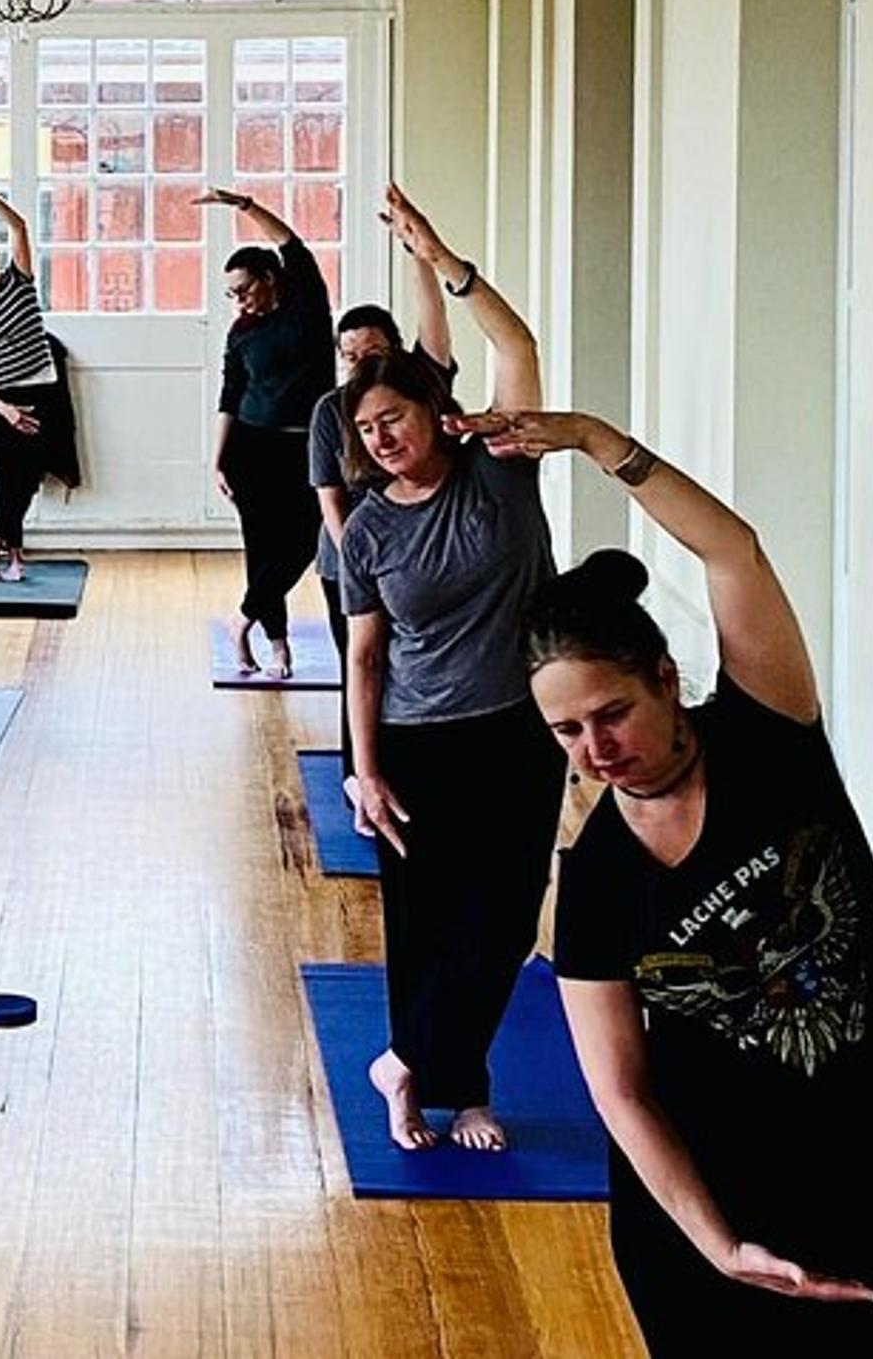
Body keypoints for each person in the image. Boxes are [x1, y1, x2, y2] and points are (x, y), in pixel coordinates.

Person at [466, 408, 873, 1353]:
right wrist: (721, 1243)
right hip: (704, 1216)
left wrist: (592, 438)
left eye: (611, 712)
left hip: (863, 1162)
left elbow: (734, 551)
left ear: (667, 675)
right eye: (567, 732)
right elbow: (621, 1091)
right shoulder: (597, 878)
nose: (596, 749)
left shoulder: (771, 733)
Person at [339, 184, 563, 1154]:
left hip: (516, 724)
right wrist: (363, 768)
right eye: (366, 428)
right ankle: (431, 1088)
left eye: (393, 416)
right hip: (417, 740)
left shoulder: (500, 471)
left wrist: (438, 256)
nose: (381, 435)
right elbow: (363, 657)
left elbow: (517, 353)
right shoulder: (367, 530)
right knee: (423, 923)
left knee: (505, 922)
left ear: (432, 413)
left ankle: (413, 1060)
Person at [309, 253, 453, 809]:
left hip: (415, 557)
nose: (360, 364)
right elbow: (331, 499)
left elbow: (435, 330)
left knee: (405, 666)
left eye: (372, 352)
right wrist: (358, 570)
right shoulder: (331, 411)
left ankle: (409, 767)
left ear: (395, 348)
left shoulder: (418, 390)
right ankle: (359, 781)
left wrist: (425, 258)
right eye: (350, 357)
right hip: (349, 559)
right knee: (362, 665)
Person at [198, 186, 335, 680]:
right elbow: (230, 395)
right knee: (261, 546)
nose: (239, 301)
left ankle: (243, 617)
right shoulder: (241, 332)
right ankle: (277, 648)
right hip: (251, 450)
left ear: (270, 279)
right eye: (231, 294)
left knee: (305, 539)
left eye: (245, 290)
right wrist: (216, 460)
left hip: (309, 447)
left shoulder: (307, 308)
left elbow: (293, 244)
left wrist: (244, 207)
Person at [0, 160, 79, 582]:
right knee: (10, 474)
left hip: (40, 393)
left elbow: (20, 227)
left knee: (26, 479)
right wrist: (4, 409)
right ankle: (13, 552)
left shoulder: (20, 283)